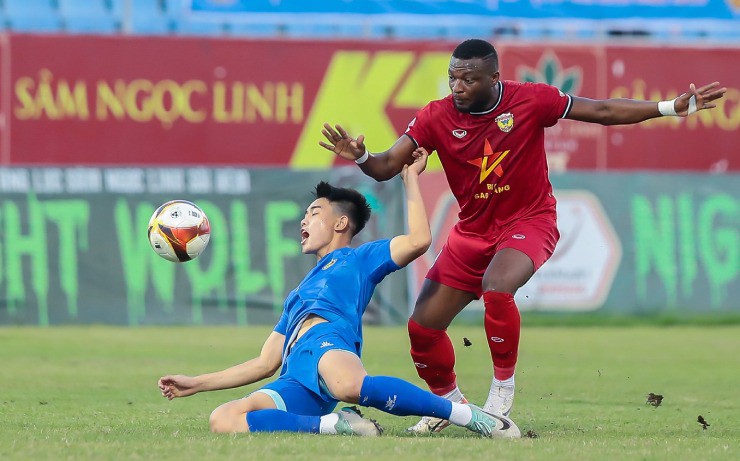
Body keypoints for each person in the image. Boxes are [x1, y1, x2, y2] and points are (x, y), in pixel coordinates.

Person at [319, 38, 727, 434]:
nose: (457, 87)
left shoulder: (531, 99)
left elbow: (601, 110)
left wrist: (669, 108)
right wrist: (361, 156)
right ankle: (450, 407)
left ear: (494, 77)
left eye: (468, 79)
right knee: (423, 328)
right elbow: (388, 164)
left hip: (529, 222)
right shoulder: (436, 116)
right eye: (452, 78)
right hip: (472, 232)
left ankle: (501, 391)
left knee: (497, 287)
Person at [157, 149, 521, 439]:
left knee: (348, 385)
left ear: (341, 223)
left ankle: (467, 416)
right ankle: (336, 426)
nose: (303, 220)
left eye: (314, 213)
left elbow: (419, 241)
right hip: (294, 372)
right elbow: (264, 363)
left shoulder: (358, 259)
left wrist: (410, 179)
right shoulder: (297, 295)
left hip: (329, 343)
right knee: (223, 418)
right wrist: (196, 383)